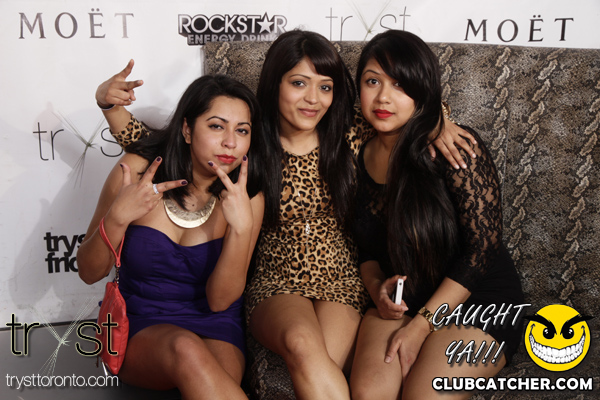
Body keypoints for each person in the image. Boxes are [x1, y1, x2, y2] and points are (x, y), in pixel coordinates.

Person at [99, 31, 476, 400]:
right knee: (300, 342)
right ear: (276, 83)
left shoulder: (349, 135)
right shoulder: (250, 141)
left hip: (341, 280)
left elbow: (402, 114)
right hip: (277, 280)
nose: (313, 98)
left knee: (323, 363)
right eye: (299, 83)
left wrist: (440, 121)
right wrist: (111, 107)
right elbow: (163, 146)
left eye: (325, 87)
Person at [349, 30, 525, 400]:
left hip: (477, 299)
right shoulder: (354, 156)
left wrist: (422, 326)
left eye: (400, 84)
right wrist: (377, 289)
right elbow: (365, 250)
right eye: (372, 81)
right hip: (404, 301)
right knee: (369, 394)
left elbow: (482, 251)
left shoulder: (453, 147)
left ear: (422, 91)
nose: (383, 97)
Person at [77, 73, 267, 400]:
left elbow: (220, 301)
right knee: (185, 348)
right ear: (187, 129)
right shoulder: (137, 172)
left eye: (242, 130)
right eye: (217, 126)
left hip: (215, 324)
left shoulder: (247, 198)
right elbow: (88, 272)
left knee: (213, 379)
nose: (230, 143)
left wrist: (241, 229)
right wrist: (118, 217)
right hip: (140, 323)